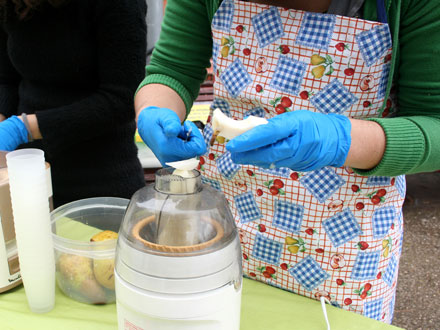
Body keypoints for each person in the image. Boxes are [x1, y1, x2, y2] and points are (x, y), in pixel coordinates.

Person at [134, 0, 440, 324]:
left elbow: (433, 122)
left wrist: (340, 138)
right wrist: (154, 111)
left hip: (345, 244)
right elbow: (171, 69)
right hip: (226, 220)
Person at [0, 0, 147, 208]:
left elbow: (121, 99)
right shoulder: (13, 4)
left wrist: (23, 128)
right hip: (27, 175)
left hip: (101, 179)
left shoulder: (118, 5)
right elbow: (6, 79)